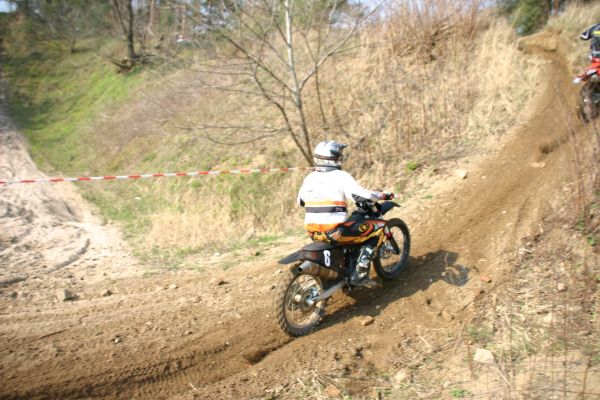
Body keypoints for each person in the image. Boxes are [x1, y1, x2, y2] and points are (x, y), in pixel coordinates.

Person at [297, 140, 394, 288]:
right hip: (335, 231)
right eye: (339, 155)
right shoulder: (341, 176)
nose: (341, 157)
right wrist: (383, 195)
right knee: (378, 227)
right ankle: (359, 275)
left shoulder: (309, 178)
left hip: (313, 231)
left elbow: (301, 201)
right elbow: (362, 195)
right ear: (333, 158)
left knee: (350, 232)